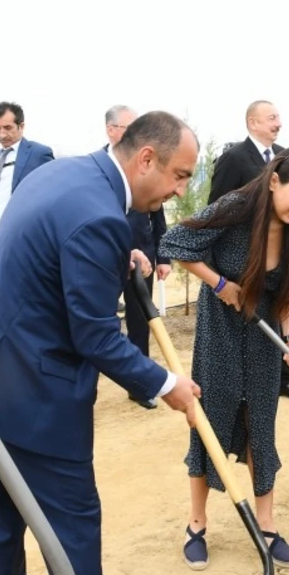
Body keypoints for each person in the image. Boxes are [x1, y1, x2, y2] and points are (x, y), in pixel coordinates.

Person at [0, 111, 201, 575]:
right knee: (73, 522)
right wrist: (167, 384)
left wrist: (123, 260)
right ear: (146, 159)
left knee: (3, 508)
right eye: (180, 175)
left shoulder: (64, 175)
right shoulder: (99, 215)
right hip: (34, 387)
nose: (179, 191)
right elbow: (96, 337)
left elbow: (53, 254)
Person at [160, 147, 289, 572]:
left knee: (261, 426)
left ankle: (266, 527)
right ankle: (196, 525)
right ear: (275, 181)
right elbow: (175, 242)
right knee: (209, 419)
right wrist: (220, 285)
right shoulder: (236, 208)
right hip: (221, 329)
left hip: (264, 336)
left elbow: (285, 292)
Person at [206, 100, 289, 401]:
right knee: (251, 331)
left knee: (275, 318)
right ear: (252, 123)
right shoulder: (234, 158)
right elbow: (216, 209)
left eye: (278, 117)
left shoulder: (282, 158)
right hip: (241, 261)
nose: (278, 123)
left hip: (276, 256)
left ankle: (282, 381)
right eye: (271, 118)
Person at [105, 105, 172, 409]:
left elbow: (157, 213)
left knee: (140, 320)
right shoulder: (99, 165)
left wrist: (163, 256)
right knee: (101, 321)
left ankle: (139, 385)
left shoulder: (148, 163)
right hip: (103, 256)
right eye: (129, 128)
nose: (136, 134)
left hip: (140, 258)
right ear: (111, 130)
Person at [0, 101, 54, 251]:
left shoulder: (39, 154)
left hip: (22, 237)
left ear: (21, 126)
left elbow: (52, 196)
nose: (2, 134)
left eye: (8, 128)